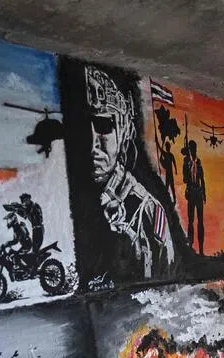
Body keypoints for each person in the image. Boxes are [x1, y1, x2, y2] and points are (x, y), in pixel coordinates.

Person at [86, 65, 174, 281]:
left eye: (104, 125)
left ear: (124, 130)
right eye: (83, 126)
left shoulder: (147, 210)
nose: (92, 143)